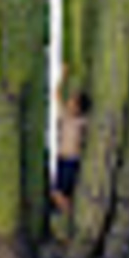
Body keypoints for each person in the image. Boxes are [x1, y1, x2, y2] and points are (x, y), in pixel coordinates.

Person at [51, 65, 91, 215]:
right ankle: (69, 215)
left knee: (58, 194)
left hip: (71, 161)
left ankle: (71, 216)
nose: (69, 102)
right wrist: (63, 76)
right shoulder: (65, 116)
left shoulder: (81, 121)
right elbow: (56, 94)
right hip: (61, 160)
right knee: (59, 195)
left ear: (78, 108)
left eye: (73, 101)